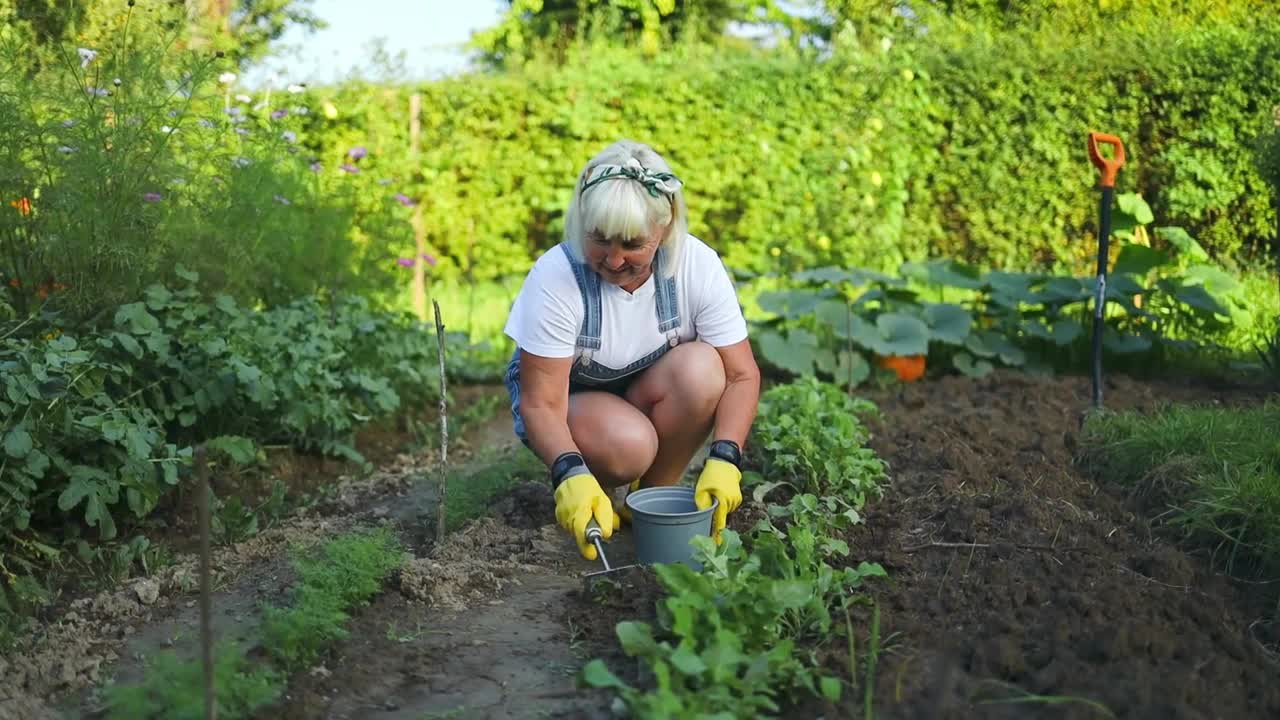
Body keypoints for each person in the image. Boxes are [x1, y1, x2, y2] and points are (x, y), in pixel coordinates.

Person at [502, 139, 761, 560]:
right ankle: (597, 486)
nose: (615, 260)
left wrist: (726, 458)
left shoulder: (696, 266)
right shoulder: (557, 276)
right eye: (600, 240)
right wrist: (569, 473)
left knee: (703, 369)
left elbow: (740, 375)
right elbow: (541, 403)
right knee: (629, 446)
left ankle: (649, 498)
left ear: (665, 227)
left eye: (632, 244)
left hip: (649, 389)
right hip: (570, 404)